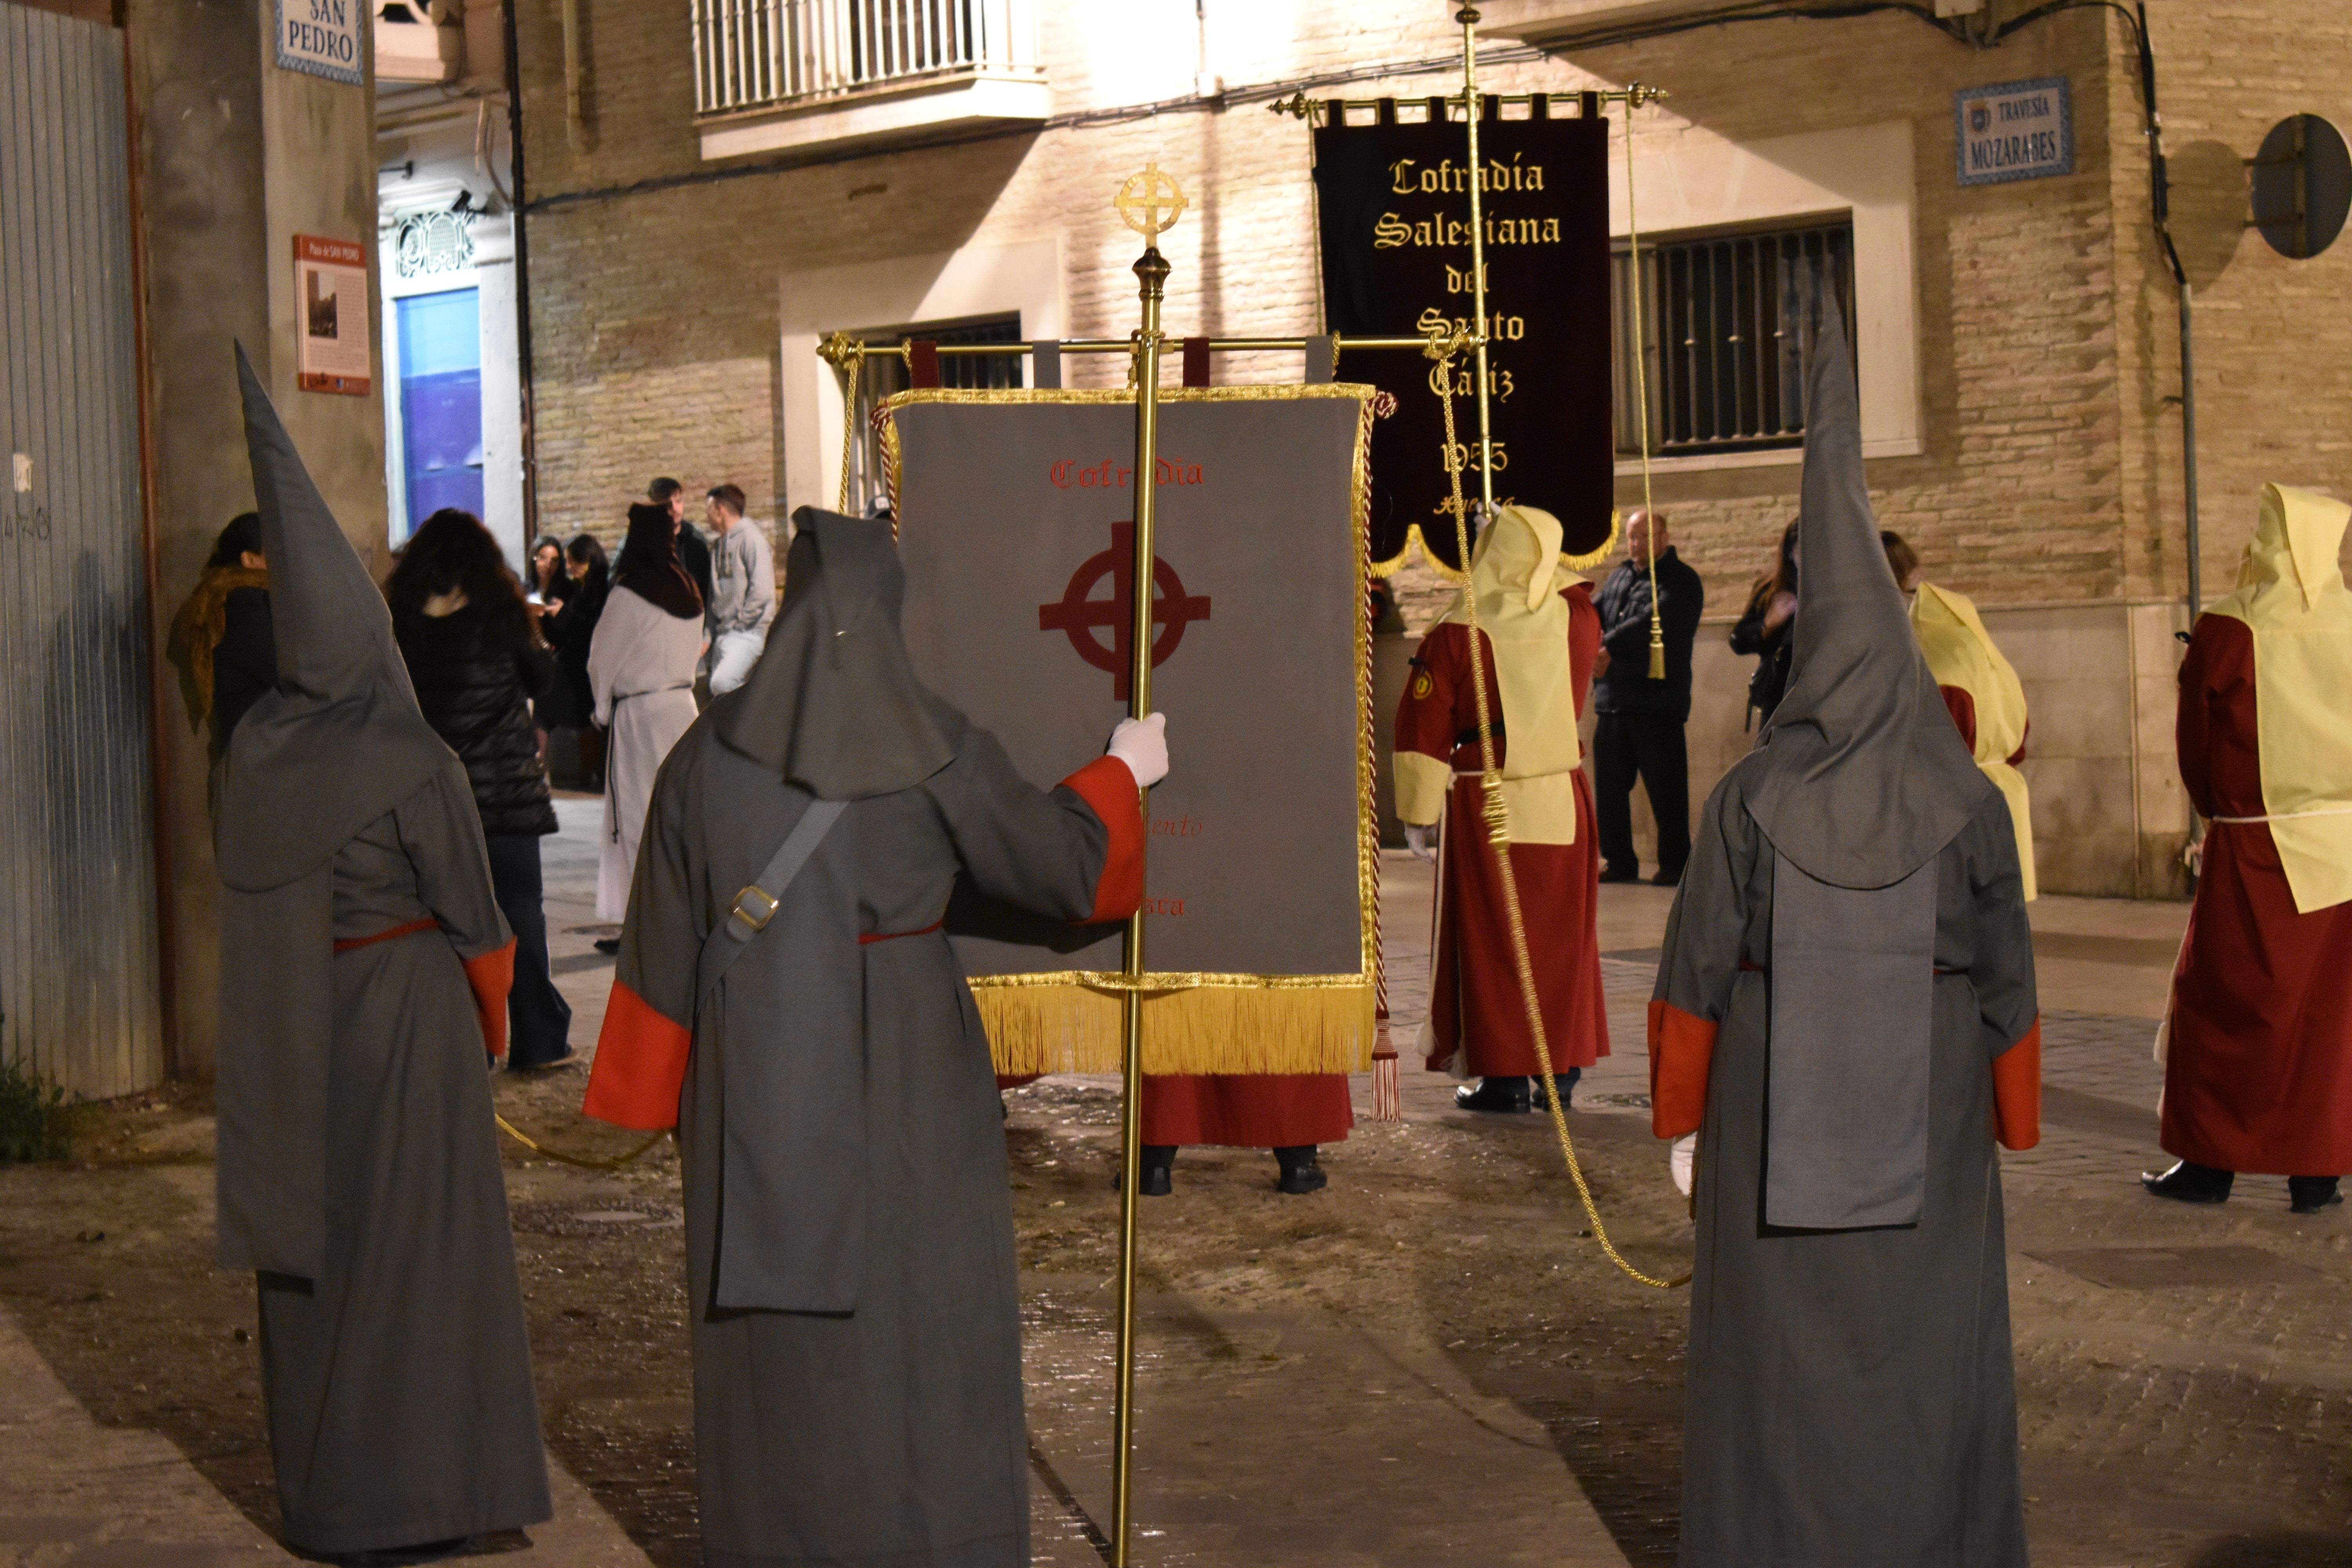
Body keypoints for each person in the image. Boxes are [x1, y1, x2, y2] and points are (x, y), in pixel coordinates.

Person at [580, 509, 1158, 1568]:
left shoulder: (706, 757)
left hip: (749, 1073)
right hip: (913, 1077)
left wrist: (652, 1102)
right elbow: (1065, 871)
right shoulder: (933, 743)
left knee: (777, 1339)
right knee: (921, 1314)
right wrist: (1124, 771)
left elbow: (661, 954)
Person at [1649, 309, 2038, 1568]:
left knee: (1776, 1364)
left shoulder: (1749, 796)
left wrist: (1678, 1120)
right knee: (1924, 1348)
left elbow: (1693, 976)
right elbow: (2007, 979)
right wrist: (2013, 1113)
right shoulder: (1966, 799)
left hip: (1770, 1104)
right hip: (1930, 1115)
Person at [212, 348, 549, 1559]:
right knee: (425, 1250)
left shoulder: (259, 751)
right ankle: (429, 1490)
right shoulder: (410, 756)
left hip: (300, 1020)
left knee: (322, 1255)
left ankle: (331, 1493)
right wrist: (495, 1026)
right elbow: (478, 919)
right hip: (406, 1019)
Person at [2144, 483, 2352, 1215]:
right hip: (2346, 851)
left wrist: (2217, 814)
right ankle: (2317, 1173)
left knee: (2225, 1006)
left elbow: (2197, 749)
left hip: (2257, 846)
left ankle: (2210, 1164)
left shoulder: (2231, 628)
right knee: (2329, 1021)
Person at [1393, 503, 1608, 1116]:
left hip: (1488, 797)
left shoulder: (1459, 628)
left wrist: (1418, 808)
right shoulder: (1577, 616)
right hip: (1562, 796)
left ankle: (1508, 1079)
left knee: (1496, 946)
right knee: (1565, 942)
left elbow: (1423, 723)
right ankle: (1560, 1073)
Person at [388, 508, 575, 1071]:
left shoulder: (402, 622)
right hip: (507, 795)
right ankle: (538, 1040)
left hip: (437, 796)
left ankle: (469, 1044)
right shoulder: (501, 612)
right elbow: (541, 677)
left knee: (448, 921)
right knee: (522, 914)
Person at [1893, 530, 2038, 902]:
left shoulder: (1940, 671)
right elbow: (2019, 741)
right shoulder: (1992, 662)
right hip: (2005, 795)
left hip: (1962, 811)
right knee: (2006, 926)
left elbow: (1938, 755)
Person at [589, 503, 704, 943]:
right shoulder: (688, 589)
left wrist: (602, 708)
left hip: (640, 717)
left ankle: (644, 925)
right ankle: (682, 916)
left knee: (638, 818)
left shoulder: (630, 593)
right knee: (680, 819)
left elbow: (603, 659)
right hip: (682, 710)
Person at [1592, 508, 1704, 886]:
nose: (1636, 543)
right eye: (1631, 536)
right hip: (1613, 701)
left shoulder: (1682, 579)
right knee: (1609, 791)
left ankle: (1674, 864)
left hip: (1657, 703)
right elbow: (1597, 614)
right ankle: (1620, 860)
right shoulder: (1619, 576)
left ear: (1663, 537)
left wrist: (1607, 646)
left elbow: (1657, 619)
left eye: (1643, 536)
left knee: (1666, 790)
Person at [166, 511, 274, 761]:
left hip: (241, 745)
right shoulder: (242, 603)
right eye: (270, 551)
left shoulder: (223, 594)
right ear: (248, 559)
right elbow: (280, 669)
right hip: (252, 751)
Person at [543, 532, 610, 788]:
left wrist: (565, 613)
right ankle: (587, 772)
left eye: (573, 562)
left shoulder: (603, 589)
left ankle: (593, 773)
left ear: (589, 560)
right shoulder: (584, 588)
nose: (568, 568)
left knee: (593, 721)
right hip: (580, 663)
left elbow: (593, 628)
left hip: (593, 665)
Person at [704, 483, 776, 697]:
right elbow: (713, 598)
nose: (707, 517)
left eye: (708, 510)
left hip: (748, 633)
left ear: (720, 510)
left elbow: (762, 590)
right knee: (714, 697)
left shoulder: (751, 539)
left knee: (722, 684)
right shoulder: (718, 547)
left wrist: (741, 623)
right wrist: (708, 635)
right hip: (723, 635)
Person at [1728, 521, 1799, 728]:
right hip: (1779, 693)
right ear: (1790, 553)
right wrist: (1769, 623)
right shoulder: (1773, 588)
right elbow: (1738, 641)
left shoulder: (1835, 590)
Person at [652, 475, 715, 620]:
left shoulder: (696, 540)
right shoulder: (640, 540)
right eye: (668, 504)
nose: (675, 509)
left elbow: (707, 588)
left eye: (679, 502)